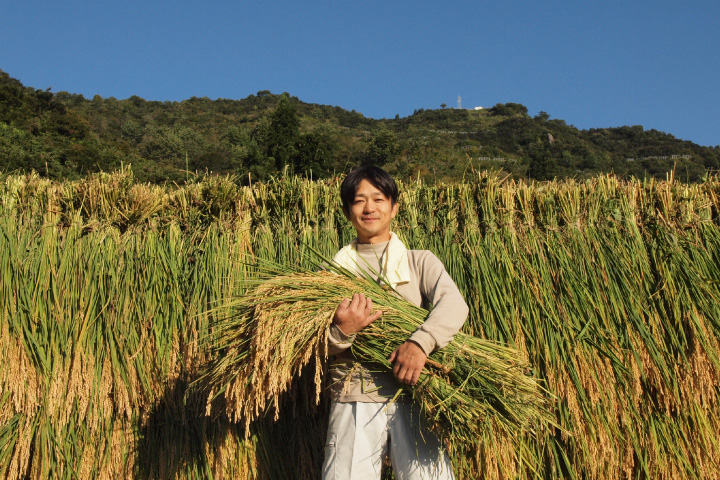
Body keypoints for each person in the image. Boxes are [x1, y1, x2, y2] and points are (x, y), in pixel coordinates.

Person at [322, 166, 469, 480]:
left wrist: (420, 343)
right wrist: (342, 332)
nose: (369, 208)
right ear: (348, 211)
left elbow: (454, 304)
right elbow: (310, 344)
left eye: (378, 199)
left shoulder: (419, 261)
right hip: (354, 395)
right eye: (359, 201)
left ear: (394, 207)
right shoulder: (328, 275)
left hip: (414, 392)